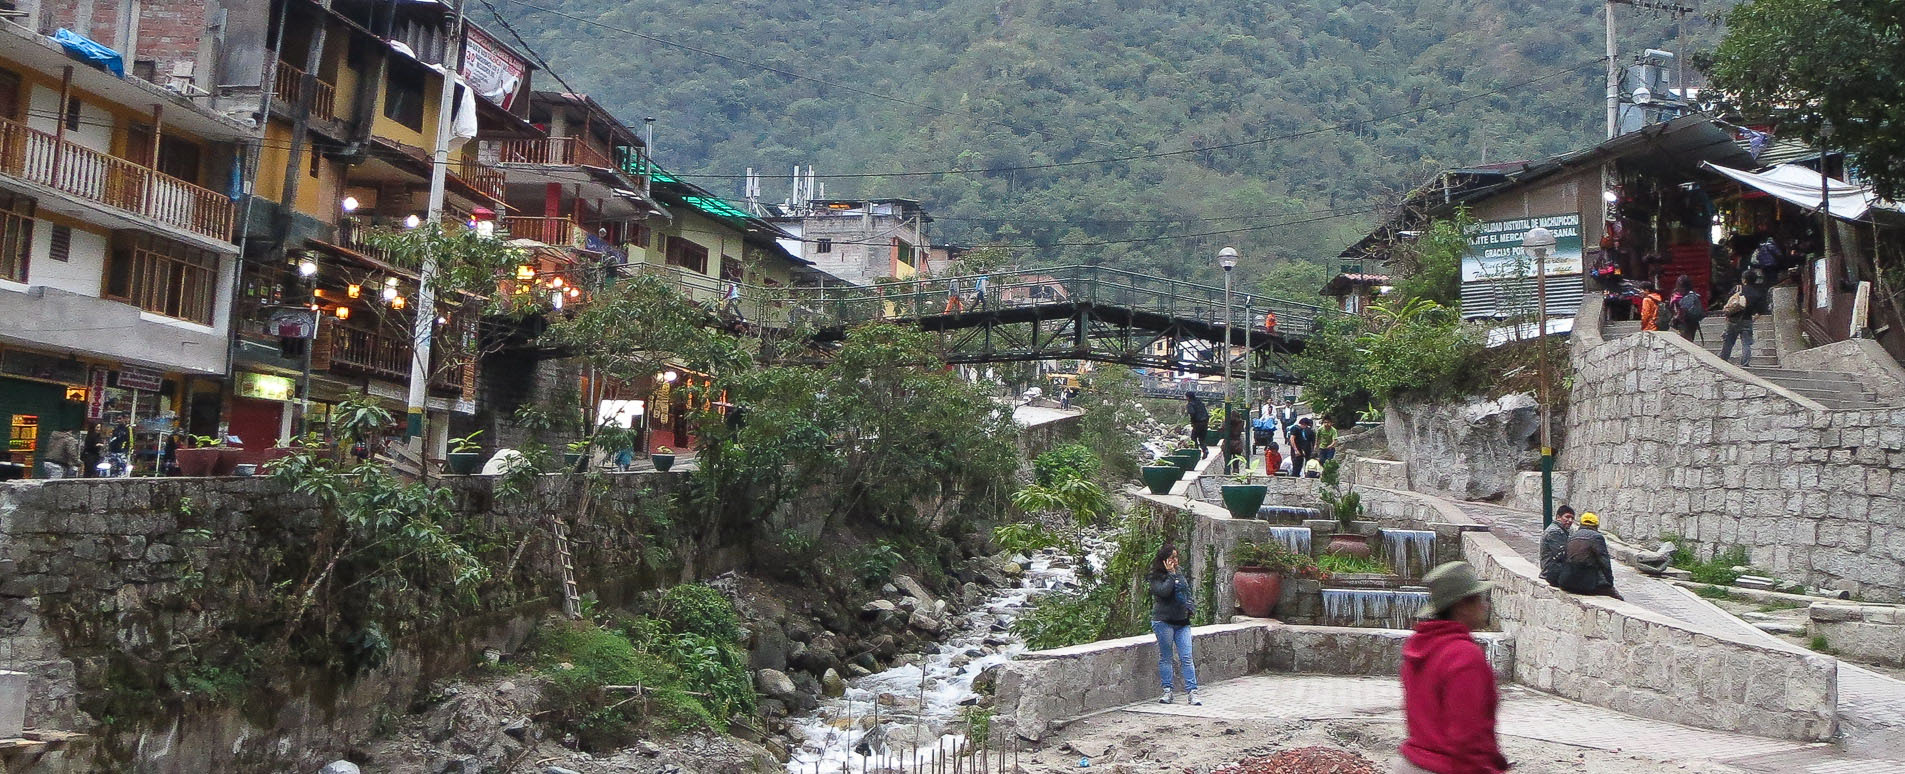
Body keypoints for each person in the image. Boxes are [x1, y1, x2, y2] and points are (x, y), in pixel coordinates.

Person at [1399, 562, 1509, 774]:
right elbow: (1468, 735)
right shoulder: (1464, 656)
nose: (1485, 606)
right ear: (1462, 605)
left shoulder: (1420, 645)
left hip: (1411, 763)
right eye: (1479, 599)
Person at [1147, 543, 1200, 706]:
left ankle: (1192, 691)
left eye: (1176, 557)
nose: (1175, 561)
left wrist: (1190, 606)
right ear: (1164, 560)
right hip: (1164, 621)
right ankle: (1167, 690)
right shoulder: (1156, 576)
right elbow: (1163, 591)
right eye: (1171, 558)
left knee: (1186, 657)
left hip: (1182, 621)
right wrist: (1171, 575)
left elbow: (1185, 591)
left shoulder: (1180, 572)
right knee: (1166, 657)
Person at [1556, 512, 1623, 600]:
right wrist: (1609, 583)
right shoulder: (1597, 537)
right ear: (1596, 526)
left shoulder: (1572, 536)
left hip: (1566, 582)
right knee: (1618, 598)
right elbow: (1605, 562)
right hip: (1586, 584)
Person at [1720, 270, 1769, 365]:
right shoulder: (1757, 293)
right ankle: (1745, 363)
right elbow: (1761, 310)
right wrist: (1753, 318)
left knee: (1728, 342)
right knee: (1746, 343)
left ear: (1744, 279)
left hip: (1733, 319)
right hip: (1747, 320)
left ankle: (1723, 361)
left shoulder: (1737, 289)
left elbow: (1728, 301)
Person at [1539, 505, 1577, 586]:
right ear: (1558, 517)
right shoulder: (1554, 532)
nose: (1570, 520)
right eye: (1567, 517)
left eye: (1572, 518)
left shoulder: (1564, 530)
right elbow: (1563, 554)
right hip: (1551, 572)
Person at [1668, 275, 1704, 341]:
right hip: (1693, 323)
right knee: (1688, 340)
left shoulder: (1680, 297)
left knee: (1684, 341)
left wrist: (1674, 318)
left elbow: (1681, 311)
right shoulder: (1693, 295)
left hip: (1683, 323)